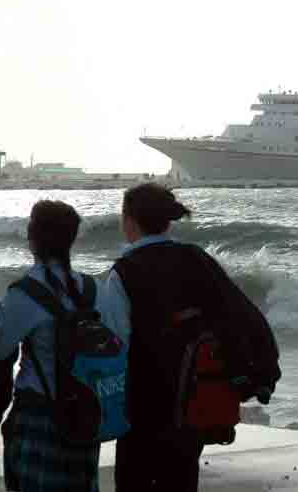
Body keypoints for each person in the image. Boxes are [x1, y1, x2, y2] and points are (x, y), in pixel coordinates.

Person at [101, 183, 280, 492]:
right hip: (194, 398)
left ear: (129, 221)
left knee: (135, 480)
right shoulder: (195, 258)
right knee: (182, 479)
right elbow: (239, 313)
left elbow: (115, 342)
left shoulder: (124, 272)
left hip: (142, 405)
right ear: (167, 221)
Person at [0, 200, 127, 492]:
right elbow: (118, 339)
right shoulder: (94, 289)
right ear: (72, 239)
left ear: (31, 238)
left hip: (38, 413)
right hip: (86, 412)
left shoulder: (25, 293)